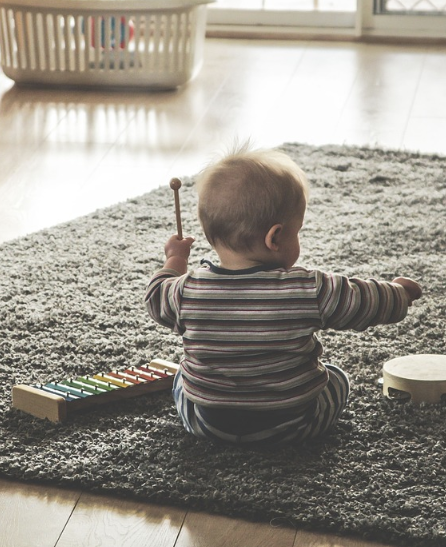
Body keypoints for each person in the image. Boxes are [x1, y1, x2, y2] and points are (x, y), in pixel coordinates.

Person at [145, 144, 422, 446]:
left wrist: (175, 259)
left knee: (181, 379)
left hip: (209, 424)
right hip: (294, 424)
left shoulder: (186, 291)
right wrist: (399, 293)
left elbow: (156, 296)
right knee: (337, 378)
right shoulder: (308, 288)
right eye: (297, 231)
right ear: (275, 237)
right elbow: (363, 300)